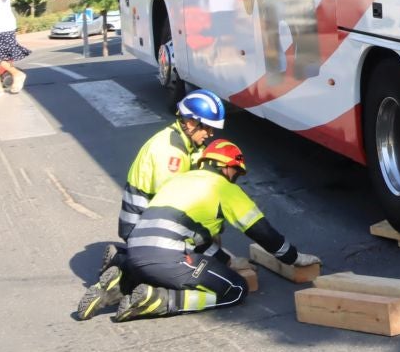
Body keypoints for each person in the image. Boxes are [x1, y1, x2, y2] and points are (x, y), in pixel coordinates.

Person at [106, 138, 318, 323]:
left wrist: (228, 261)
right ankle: (160, 300)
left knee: (174, 264)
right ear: (227, 167)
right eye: (236, 172)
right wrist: (293, 258)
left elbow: (197, 238)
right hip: (165, 257)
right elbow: (262, 232)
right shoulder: (224, 188)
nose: (236, 177)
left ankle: (123, 279)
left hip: (135, 249)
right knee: (235, 290)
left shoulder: (181, 179)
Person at [72, 89, 227, 320]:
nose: (210, 134)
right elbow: (177, 213)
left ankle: (125, 266)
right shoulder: (170, 155)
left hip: (143, 224)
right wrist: (213, 251)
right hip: (144, 229)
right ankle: (126, 271)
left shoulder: (182, 142)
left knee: (205, 256)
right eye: (207, 127)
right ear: (190, 122)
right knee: (199, 270)